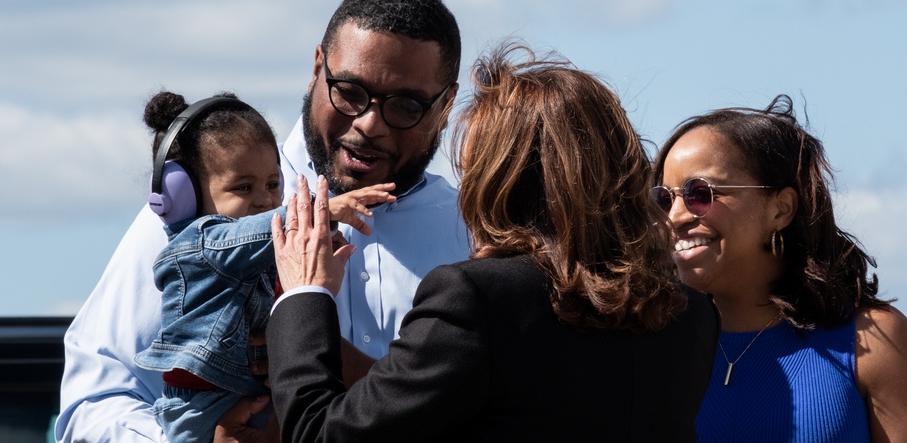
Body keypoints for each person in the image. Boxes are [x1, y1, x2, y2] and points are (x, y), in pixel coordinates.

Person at [57, 0, 471, 443]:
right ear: (317, 66)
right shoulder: (202, 206)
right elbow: (90, 405)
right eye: (350, 91)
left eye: (405, 105)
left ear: (447, 104)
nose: (369, 123)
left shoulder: (474, 233)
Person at [265, 43, 720, 442]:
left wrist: (306, 293)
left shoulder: (478, 299)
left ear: (498, 178)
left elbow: (321, 433)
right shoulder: (692, 313)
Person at [651, 95, 907, 442]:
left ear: (781, 209)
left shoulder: (873, 343)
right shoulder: (653, 346)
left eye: (700, 193)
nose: (675, 217)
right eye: (664, 199)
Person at [133, 91, 393, 443]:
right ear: (185, 196)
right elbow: (244, 236)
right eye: (243, 187)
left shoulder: (255, 246)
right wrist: (320, 209)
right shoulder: (199, 243)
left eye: (273, 184)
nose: (264, 199)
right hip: (202, 411)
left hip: (251, 396)